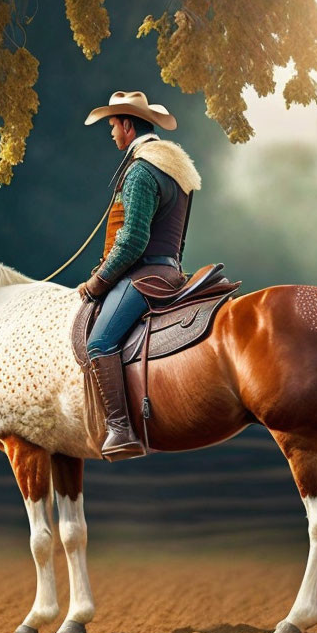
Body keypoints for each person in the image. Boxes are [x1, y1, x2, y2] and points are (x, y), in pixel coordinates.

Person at [80, 90, 201, 461]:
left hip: (144, 276)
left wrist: (98, 281)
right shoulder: (172, 167)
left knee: (99, 342)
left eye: (114, 125)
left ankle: (119, 428)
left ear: (128, 126)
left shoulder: (140, 170)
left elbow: (132, 240)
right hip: (172, 270)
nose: (112, 132)